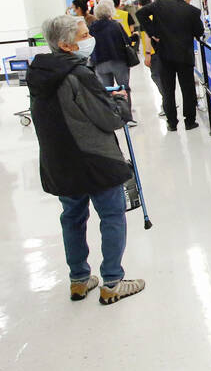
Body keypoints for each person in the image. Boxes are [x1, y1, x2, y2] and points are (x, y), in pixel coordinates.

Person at [26, 15, 145, 305]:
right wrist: (119, 102)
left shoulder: (41, 74)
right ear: (66, 45)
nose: (89, 37)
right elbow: (108, 119)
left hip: (60, 161)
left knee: (73, 218)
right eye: (84, 34)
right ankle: (112, 283)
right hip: (94, 159)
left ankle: (79, 280)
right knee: (112, 216)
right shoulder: (78, 74)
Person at [136, 0, 205, 131]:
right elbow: (199, 32)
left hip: (164, 55)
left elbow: (140, 14)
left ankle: (172, 122)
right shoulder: (192, 11)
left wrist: (153, 32)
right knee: (188, 90)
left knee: (168, 90)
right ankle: (189, 121)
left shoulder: (160, 4)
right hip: (184, 56)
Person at [88, 0, 136, 124]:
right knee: (124, 88)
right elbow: (126, 41)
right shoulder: (115, 25)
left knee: (107, 90)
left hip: (100, 63)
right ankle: (127, 118)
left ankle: (111, 117)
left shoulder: (91, 28)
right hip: (118, 61)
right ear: (110, 12)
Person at [135, 0, 165, 117]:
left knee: (156, 76)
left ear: (140, 3)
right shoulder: (156, 13)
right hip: (161, 50)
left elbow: (147, 35)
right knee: (161, 77)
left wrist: (147, 54)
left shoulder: (144, 16)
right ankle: (167, 101)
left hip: (153, 52)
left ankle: (166, 102)